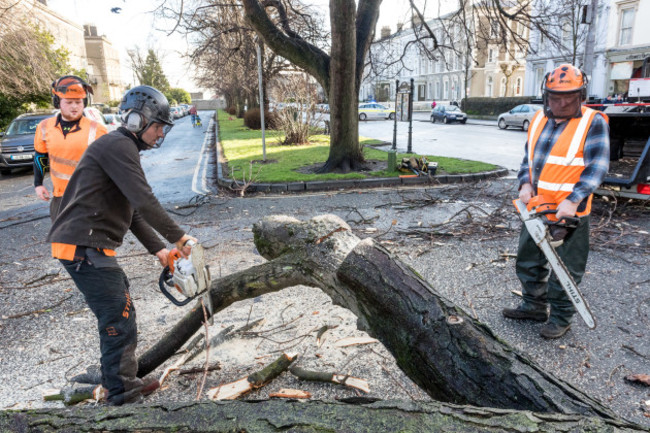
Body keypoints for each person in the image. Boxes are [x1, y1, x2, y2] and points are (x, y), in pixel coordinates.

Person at [47, 85, 199, 405]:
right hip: (81, 245)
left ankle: (117, 379)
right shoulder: (118, 146)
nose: (160, 133)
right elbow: (145, 201)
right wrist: (181, 238)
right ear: (135, 120)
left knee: (120, 306)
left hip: (87, 244)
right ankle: (121, 391)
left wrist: (161, 251)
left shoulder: (122, 147)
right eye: (157, 126)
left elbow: (132, 211)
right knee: (118, 315)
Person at [502, 64, 610, 339]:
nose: (562, 103)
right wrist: (525, 182)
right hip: (537, 207)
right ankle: (533, 306)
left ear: (580, 95)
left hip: (569, 212)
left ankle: (561, 317)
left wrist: (573, 200)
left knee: (566, 269)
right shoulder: (538, 119)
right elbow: (528, 159)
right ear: (547, 95)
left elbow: (597, 167)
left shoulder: (592, 121)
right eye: (556, 97)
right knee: (528, 261)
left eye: (569, 98)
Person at [34, 75, 108, 220]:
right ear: (58, 102)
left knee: (93, 242)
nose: (74, 106)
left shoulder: (98, 130)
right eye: (69, 102)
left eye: (78, 102)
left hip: (90, 198)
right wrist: (38, 184)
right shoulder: (44, 127)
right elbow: (40, 156)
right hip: (60, 198)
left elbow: (109, 165)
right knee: (61, 241)